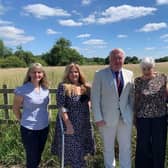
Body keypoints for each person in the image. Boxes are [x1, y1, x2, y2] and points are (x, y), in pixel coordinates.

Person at [91, 48, 134, 168]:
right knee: (108, 148)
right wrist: (98, 117)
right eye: (114, 58)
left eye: (120, 58)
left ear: (124, 60)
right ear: (109, 59)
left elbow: (131, 96)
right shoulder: (99, 74)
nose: (117, 60)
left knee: (126, 147)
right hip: (106, 119)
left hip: (125, 118)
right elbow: (95, 98)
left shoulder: (129, 74)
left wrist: (131, 114)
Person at [51, 63, 95, 168]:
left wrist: (91, 94)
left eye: (76, 71)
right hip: (70, 124)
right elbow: (61, 107)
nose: (73, 74)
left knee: (82, 153)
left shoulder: (85, 87)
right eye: (70, 72)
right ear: (67, 74)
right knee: (75, 155)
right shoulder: (63, 87)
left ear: (79, 73)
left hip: (84, 124)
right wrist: (68, 124)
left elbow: (92, 101)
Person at [13, 63, 49, 168]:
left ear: (42, 74)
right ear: (29, 73)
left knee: (38, 155)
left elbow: (45, 106)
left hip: (44, 127)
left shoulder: (45, 89)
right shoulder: (22, 89)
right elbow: (15, 109)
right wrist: (23, 120)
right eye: (34, 72)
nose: (36, 74)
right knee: (32, 158)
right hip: (29, 129)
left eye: (39, 72)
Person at [134, 57, 168, 168]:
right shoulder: (138, 81)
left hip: (160, 117)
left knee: (159, 145)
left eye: (149, 68)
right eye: (144, 68)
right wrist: (135, 117)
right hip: (143, 118)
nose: (146, 71)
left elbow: (167, 94)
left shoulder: (162, 77)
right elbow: (136, 99)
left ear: (153, 67)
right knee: (143, 145)